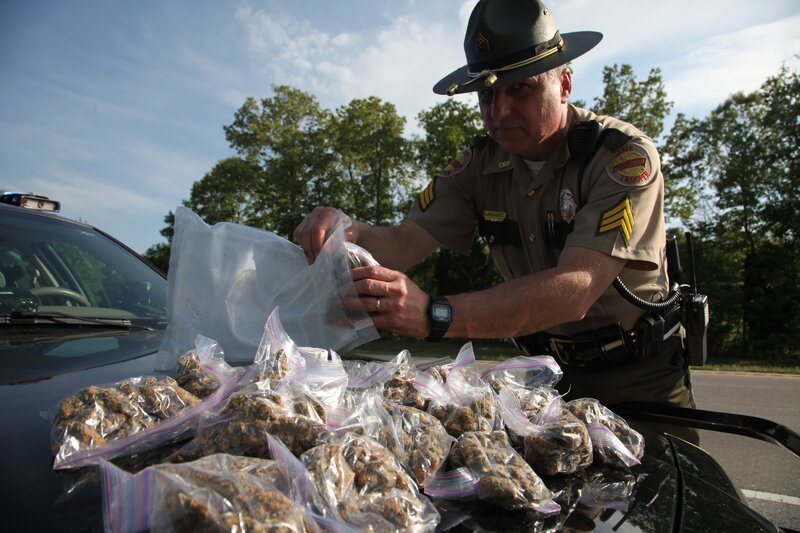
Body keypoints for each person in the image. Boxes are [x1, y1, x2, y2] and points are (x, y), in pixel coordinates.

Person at [294, 0, 698, 443]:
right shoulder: (476, 165)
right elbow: (401, 243)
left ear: (563, 83)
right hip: (548, 380)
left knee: (671, 500)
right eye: (487, 94)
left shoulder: (620, 157)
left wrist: (435, 313)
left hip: (639, 377)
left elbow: (578, 287)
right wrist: (344, 230)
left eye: (520, 88)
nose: (499, 111)